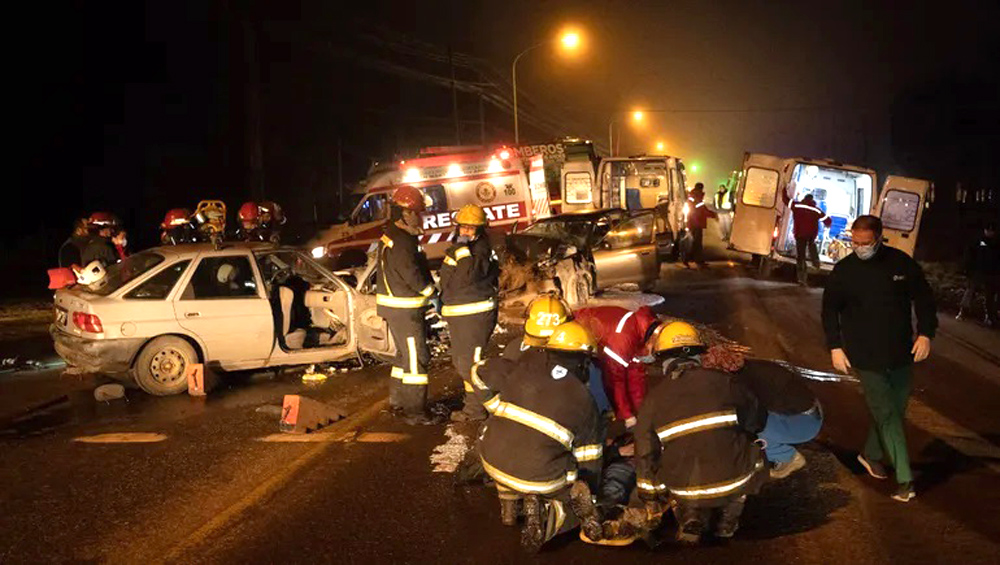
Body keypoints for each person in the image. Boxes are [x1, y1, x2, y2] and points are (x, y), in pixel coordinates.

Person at [822, 215, 937, 502]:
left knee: (895, 411)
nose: (859, 248)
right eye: (855, 242)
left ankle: (871, 454)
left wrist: (925, 333)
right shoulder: (844, 271)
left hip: (900, 353)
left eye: (865, 243)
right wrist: (835, 346)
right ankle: (905, 481)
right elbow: (829, 311)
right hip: (865, 356)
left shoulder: (901, 264)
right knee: (887, 415)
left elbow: (924, 298)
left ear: (879, 238)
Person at [472, 321, 606, 553]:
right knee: (572, 478)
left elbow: (477, 371)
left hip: (491, 461)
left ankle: (510, 508)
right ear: (584, 361)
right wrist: (589, 497)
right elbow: (590, 459)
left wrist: (495, 407)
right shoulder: (585, 401)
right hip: (539, 477)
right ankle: (550, 511)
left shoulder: (521, 368)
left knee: (511, 439)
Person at [632, 321, 767, 543]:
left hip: (683, 488)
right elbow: (757, 420)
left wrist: (650, 496)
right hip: (734, 480)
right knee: (756, 447)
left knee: (667, 457)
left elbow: (645, 452)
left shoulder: (653, 400)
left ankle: (690, 515)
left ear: (664, 360)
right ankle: (727, 521)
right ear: (698, 355)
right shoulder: (725, 382)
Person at [701, 346, 823, 479]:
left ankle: (788, 458)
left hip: (804, 423)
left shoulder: (742, 385)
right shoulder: (748, 366)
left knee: (744, 430)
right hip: (811, 410)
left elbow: (750, 418)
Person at [375, 186, 438, 425]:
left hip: (396, 308)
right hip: (405, 309)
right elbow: (410, 273)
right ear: (403, 213)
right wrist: (431, 293)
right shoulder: (402, 241)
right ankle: (415, 412)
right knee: (416, 358)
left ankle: (398, 402)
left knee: (404, 358)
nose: (419, 217)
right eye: (416, 213)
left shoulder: (393, 235)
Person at [439, 204, 500, 422]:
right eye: (463, 227)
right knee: (462, 362)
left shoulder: (479, 250)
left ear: (480, 230)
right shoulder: (461, 247)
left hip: (474, 316)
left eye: (471, 228)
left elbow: (467, 276)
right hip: (461, 316)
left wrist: (462, 250)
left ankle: (487, 406)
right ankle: (473, 407)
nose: (465, 231)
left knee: (469, 365)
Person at [574, 305, 659, 429]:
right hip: (575, 332)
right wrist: (627, 416)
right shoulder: (622, 340)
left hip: (604, 333)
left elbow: (635, 374)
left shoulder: (640, 330)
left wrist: (642, 411)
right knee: (589, 380)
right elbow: (614, 379)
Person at [957, 222, 999, 327]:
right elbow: (970, 254)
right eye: (988, 230)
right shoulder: (978, 241)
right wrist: (968, 269)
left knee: (989, 295)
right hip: (977, 271)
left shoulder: (996, 243)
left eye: (991, 231)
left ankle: (989, 317)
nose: (989, 232)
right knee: (970, 291)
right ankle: (963, 312)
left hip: (990, 273)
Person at [788, 194, 833, 286]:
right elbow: (828, 220)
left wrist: (783, 189)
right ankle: (816, 264)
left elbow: (786, 201)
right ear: (813, 201)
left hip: (800, 234)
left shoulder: (797, 206)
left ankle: (802, 278)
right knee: (812, 247)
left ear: (804, 198)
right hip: (811, 235)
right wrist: (828, 225)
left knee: (801, 256)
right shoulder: (816, 210)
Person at [683, 183, 717, 268]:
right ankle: (695, 260)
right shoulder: (697, 197)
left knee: (693, 242)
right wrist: (713, 215)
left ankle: (690, 259)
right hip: (696, 223)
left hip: (692, 222)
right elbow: (702, 210)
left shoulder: (692, 196)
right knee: (696, 243)